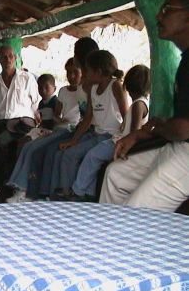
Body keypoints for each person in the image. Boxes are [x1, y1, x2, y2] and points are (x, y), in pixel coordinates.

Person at [99, 0, 189, 212]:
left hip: (186, 153)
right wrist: (142, 132)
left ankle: (129, 238)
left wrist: (151, 128)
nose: (158, 16)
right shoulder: (185, 61)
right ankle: (109, 238)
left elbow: (182, 130)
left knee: (138, 212)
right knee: (115, 175)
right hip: (178, 146)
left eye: (167, 10)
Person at [60, 65, 150, 201]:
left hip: (120, 143)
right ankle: (89, 193)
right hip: (118, 140)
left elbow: (134, 133)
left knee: (92, 156)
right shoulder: (140, 103)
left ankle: (77, 191)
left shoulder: (138, 105)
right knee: (93, 158)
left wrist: (124, 150)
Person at [28, 38, 99, 199]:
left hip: (90, 131)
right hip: (82, 130)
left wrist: (74, 139)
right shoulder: (83, 83)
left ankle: (65, 197)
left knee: (64, 153)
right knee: (55, 152)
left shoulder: (93, 83)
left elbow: (89, 117)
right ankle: (50, 195)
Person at [52, 50, 129, 199]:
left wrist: (124, 139)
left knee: (92, 156)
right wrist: (73, 141)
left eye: (88, 71)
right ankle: (68, 194)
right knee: (69, 154)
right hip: (97, 135)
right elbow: (88, 118)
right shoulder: (92, 89)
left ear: (99, 72)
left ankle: (78, 193)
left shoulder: (115, 86)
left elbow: (127, 116)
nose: (85, 75)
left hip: (113, 137)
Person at [6, 58, 82, 202]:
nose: (71, 76)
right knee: (28, 146)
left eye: (75, 72)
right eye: (69, 72)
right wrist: (58, 120)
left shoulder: (84, 91)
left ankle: (33, 192)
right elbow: (56, 115)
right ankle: (20, 186)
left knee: (40, 150)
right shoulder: (64, 91)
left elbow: (83, 117)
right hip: (59, 128)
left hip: (69, 130)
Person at [0, 44, 40, 198]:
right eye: (4, 56)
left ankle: (16, 193)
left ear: (15, 58)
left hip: (22, 125)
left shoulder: (27, 78)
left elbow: (36, 105)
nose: (8, 59)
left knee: (14, 156)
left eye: (10, 56)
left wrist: (37, 124)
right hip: (1, 124)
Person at [15, 73, 58, 157]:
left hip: (49, 131)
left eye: (47, 88)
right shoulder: (41, 103)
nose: (43, 91)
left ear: (54, 88)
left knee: (28, 144)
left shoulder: (55, 102)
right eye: (40, 88)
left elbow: (56, 120)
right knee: (21, 141)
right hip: (41, 128)